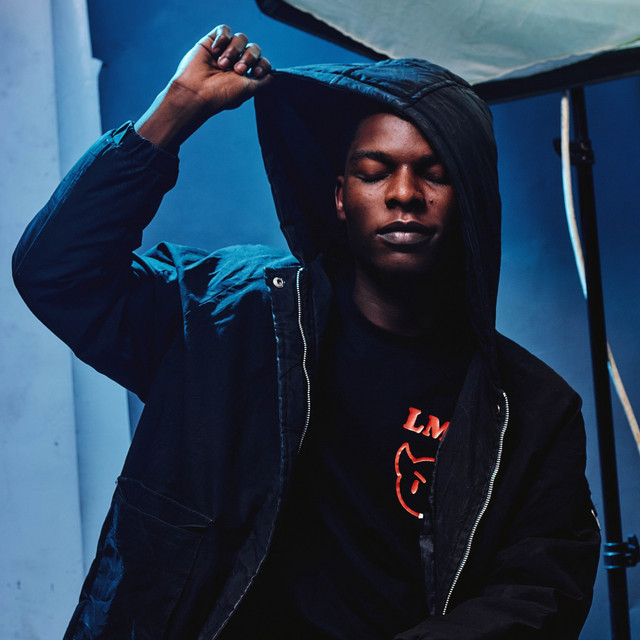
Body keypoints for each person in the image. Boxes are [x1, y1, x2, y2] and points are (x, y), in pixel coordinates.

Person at [13, 24, 600, 640]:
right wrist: (177, 109)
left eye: (435, 173)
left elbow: (540, 589)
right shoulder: (225, 315)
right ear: (341, 198)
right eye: (375, 171)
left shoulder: (531, 408)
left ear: (471, 199)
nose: (404, 194)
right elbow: (56, 271)